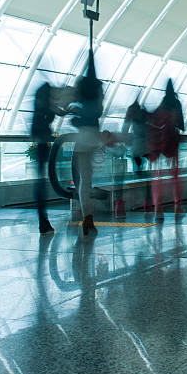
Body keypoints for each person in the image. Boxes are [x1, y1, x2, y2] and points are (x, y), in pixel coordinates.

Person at [70, 51, 103, 236]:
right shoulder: (98, 86)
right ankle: (89, 219)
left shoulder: (80, 85)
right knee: (88, 179)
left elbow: (74, 108)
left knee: (82, 180)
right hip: (93, 136)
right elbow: (99, 111)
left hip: (81, 137)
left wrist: (77, 116)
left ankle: (86, 217)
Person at [150, 79, 185, 219]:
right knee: (175, 176)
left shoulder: (162, 104)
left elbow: (154, 121)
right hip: (173, 142)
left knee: (157, 176)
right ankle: (178, 206)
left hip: (160, 144)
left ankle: (158, 208)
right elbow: (181, 125)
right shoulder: (176, 104)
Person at [31, 83, 56, 234]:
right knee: (42, 180)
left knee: (40, 179)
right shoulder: (45, 106)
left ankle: (43, 219)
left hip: (39, 142)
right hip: (42, 143)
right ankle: (43, 220)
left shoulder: (37, 105)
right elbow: (49, 118)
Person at [121, 97, 151, 212]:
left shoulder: (132, 113)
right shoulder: (144, 113)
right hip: (147, 147)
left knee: (137, 173)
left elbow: (125, 129)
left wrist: (125, 140)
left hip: (137, 147)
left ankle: (137, 201)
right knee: (146, 174)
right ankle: (147, 201)